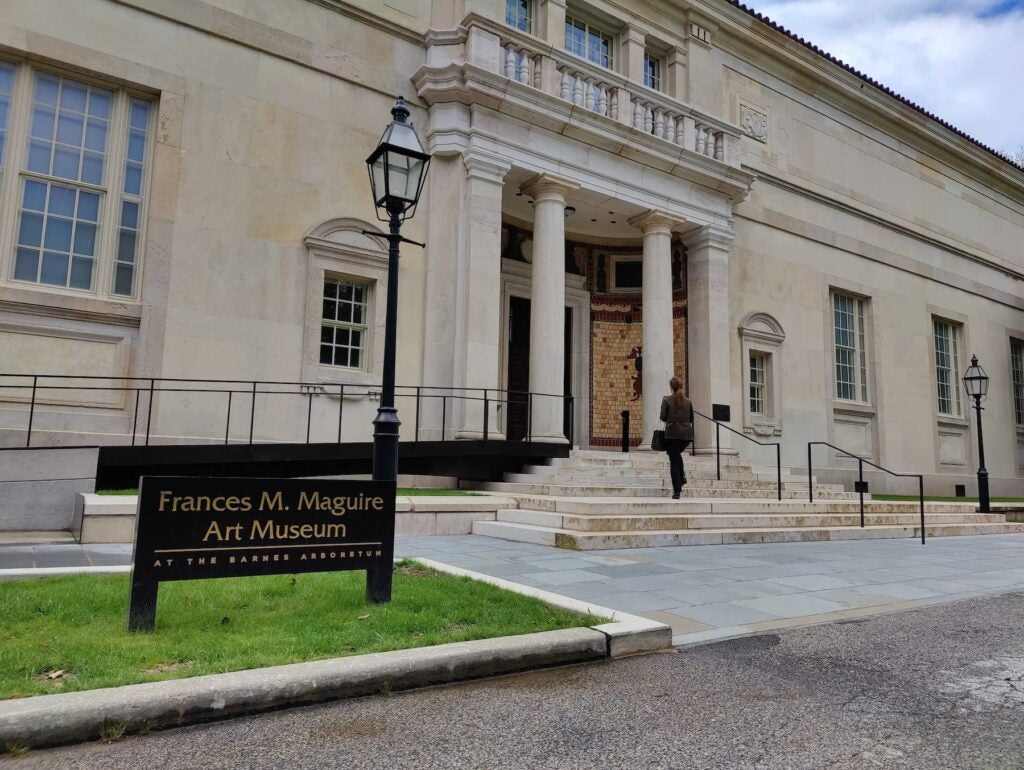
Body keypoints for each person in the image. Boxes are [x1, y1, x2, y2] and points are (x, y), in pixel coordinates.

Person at [660, 377, 694, 499]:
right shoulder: (688, 401)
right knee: (676, 456)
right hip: (686, 436)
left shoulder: (667, 400)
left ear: (671, 387)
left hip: (672, 434)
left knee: (674, 462)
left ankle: (677, 490)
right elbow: (691, 419)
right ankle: (682, 476)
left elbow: (663, 417)